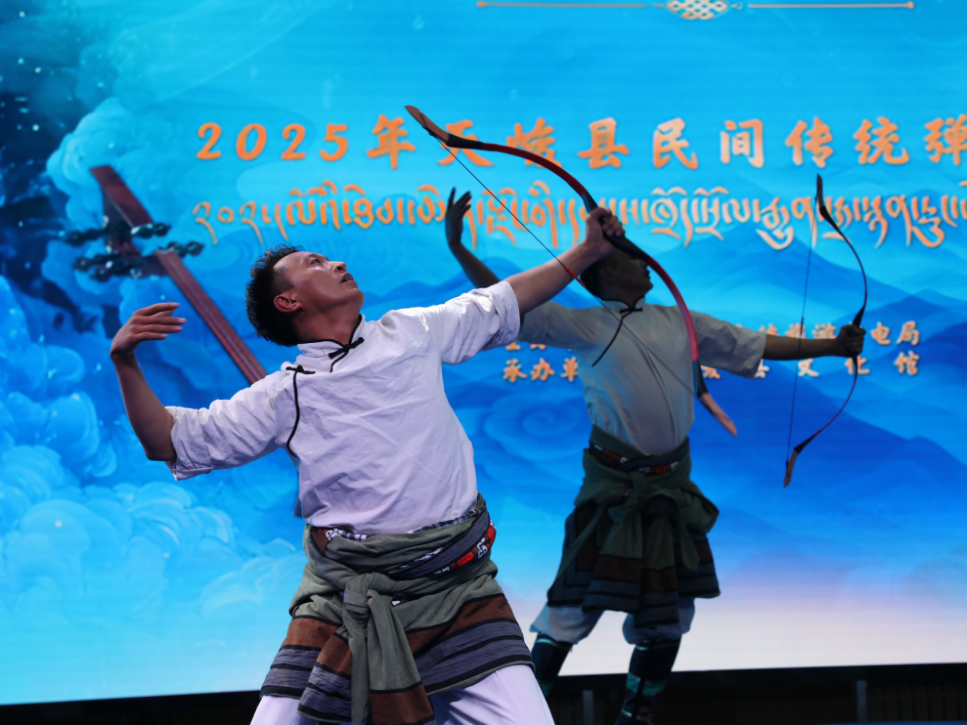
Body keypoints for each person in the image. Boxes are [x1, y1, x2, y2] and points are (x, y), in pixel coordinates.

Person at [108, 207, 625, 725]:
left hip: (454, 586)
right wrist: (124, 361)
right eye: (315, 263)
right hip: (346, 598)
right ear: (288, 301)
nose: (336, 263)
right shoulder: (284, 394)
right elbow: (168, 441)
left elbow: (504, 300)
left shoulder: (412, 331)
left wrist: (590, 249)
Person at [444, 188, 866, 725]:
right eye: (630, 257)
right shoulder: (588, 324)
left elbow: (754, 345)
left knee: (667, 616)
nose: (645, 261)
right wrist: (460, 249)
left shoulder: (681, 322)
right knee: (570, 612)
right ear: (607, 273)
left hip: (669, 492)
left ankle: (635, 719)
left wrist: (834, 347)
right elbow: (511, 303)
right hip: (615, 493)